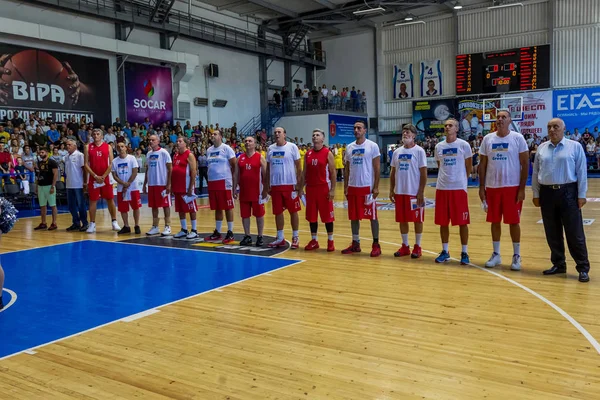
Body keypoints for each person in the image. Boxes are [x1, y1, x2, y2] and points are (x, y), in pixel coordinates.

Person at [532, 118, 590, 282]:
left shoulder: (574, 146)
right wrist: (536, 194)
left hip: (568, 192)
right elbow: (536, 173)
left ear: (563, 129)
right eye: (549, 127)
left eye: (555, 127)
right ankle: (559, 264)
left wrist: (582, 195)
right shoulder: (542, 149)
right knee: (552, 232)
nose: (552, 130)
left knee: (575, 233)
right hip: (547, 193)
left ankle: (582, 267)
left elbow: (582, 172)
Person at [478, 110, 529, 271]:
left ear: (509, 120)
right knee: (494, 221)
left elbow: (526, 164)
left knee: (514, 221)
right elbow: (482, 165)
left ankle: (516, 255)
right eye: (498, 117)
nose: (500, 119)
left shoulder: (517, 138)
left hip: (512, 187)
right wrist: (481, 187)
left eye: (503, 117)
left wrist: (522, 188)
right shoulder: (488, 139)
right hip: (492, 187)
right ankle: (496, 254)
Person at [433, 119, 472, 264]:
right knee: (443, 222)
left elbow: (469, 166)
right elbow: (440, 165)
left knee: (462, 222)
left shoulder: (464, 145)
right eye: (446, 126)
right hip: (442, 188)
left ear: (456, 128)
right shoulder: (438, 146)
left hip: (458, 189)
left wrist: (462, 180)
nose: (447, 127)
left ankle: (464, 252)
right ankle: (445, 251)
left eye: (450, 125)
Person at [341, 121, 381, 257]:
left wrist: (375, 187)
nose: (356, 130)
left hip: (367, 188)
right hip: (353, 187)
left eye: (359, 128)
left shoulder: (372, 146)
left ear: (365, 130)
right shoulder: (349, 147)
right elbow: (346, 169)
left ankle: (376, 244)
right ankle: (355, 243)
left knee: (372, 217)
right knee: (354, 216)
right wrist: (346, 186)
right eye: (355, 128)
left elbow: (377, 168)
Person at [389, 124, 427, 258]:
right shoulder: (397, 152)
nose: (405, 134)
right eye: (404, 132)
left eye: (408, 132)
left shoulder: (419, 151)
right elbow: (393, 172)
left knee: (417, 220)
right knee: (402, 220)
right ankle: (405, 246)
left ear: (414, 135)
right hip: (400, 192)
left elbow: (423, 173)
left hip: (414, 192)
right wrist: (391, 190)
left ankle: (418, 246)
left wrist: (421, 192)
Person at [266, 127, 302, 248]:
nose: (276, 134)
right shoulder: (270, 149)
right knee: (278, 212)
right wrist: (267, 186)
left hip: (290, 185)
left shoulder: (292, 147)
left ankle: (295, 236)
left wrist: (299, 185)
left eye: (279, 132)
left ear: (284, 135)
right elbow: (268, 169)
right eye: (275, 132)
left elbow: (299, 167)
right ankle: (280, 237)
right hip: (275, 186)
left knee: (293, 211)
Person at [300, 129, 336, 251]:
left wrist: (333, 190)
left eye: (317, 135)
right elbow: (304, 172)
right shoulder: (308, 154)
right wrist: (300, 188)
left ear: (322, 139)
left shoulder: (327, 153)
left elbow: (333, 172)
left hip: (324, 188)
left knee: (327, 217)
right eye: (313, 135)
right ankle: (314, 240)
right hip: (310, 189)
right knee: (312, 216)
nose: (315, 137)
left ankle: (330, 241)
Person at [84, 128, 120, 233]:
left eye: (98, 134)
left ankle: (114, 222)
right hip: (93, 178)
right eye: (94, 134)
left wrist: (103, 176)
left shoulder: (108, 146)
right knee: (93, 201)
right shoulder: (87, 147)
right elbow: (86, 164)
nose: (95, 135)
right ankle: (92, 224)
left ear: (102, 136)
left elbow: (111, 163)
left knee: (110, 199)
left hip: (106, 178)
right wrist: (95, 176)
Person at [204, 130, 237, 243]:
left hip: (224, 181)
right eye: (211, 134)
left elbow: (234, 166)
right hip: (213, 182)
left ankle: (230, 232)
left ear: (221, 137)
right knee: (217, 208)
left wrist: (234, 183)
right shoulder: (209, 150)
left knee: (228, 207)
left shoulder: (226, 148)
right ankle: (218, 232)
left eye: (215, 134)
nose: (212, 136)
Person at [236, 136, 267, 246]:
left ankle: (260, 236)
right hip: (244, 192)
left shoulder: (260, 157)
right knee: (245, 215)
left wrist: (266, 190)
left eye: (250, 141)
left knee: (259, 215)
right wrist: (234, 188)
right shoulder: (240, 158)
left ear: (255, 144)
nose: (247, 143)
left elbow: (266, 175)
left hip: (257, 192)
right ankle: (247, 236)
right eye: (246, 141)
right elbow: (236, 175)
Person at [143, 134, 173, 236]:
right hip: (152, 184)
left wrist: (168, 184)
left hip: (162, 183)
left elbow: (170, 169)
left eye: (153, 140)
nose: (151, 141)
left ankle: (167, 226)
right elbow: (147, 169)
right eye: (150, 140)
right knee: (154, 206)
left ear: (158, 141)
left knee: (165, 205)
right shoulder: (148, 154)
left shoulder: (164, 152)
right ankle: (155, 226)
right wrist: (145, 184)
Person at [171, 137, 199, 239]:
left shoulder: (189, 155)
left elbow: (193, 171)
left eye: (180, 141)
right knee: (180, 209)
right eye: (177, 141)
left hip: (186, 186)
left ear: (186, 144)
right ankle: (184, 229)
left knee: (191, 209)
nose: (177, 143)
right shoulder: (176, 155)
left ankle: (194, 230)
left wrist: (191, 187)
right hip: (177, 186)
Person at [111, 142, 141, 235]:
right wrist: (123, 183)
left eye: (122, 146)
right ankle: (126, 226)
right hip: (121, 188)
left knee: (135, 207)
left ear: (126, 148)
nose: (120, 148)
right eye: (118, 147)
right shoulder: (114, 161)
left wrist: (128, 183)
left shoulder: (132, 158)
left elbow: (135, 171)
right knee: (123, 209)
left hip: (133, 188)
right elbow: (114, 175)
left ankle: (136, 225)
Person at [64, 139, 88, 231]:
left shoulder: (80, 155)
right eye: (67, 144)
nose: (67, 146)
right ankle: (76, 223)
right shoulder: (66, 157)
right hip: (69, 184)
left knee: (81, 205)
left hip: (78, 184)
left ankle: (85, 223)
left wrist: (85, 183)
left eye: (69, 144)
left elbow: (84, 170)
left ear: (75, 146)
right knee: (71, 206)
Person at [33, 147, 59, 231]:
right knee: (42, 205)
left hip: (49, 185)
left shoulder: (52, 162)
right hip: (41, 186)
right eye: (40, 153)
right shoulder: (39, 163)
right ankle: (43, 223)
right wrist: (37, 186)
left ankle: (54, 223)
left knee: (52, 205)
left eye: (42, 152)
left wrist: (53, 186)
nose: (41, 154)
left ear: (47, 153)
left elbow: (55, 174)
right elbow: (39, 174)